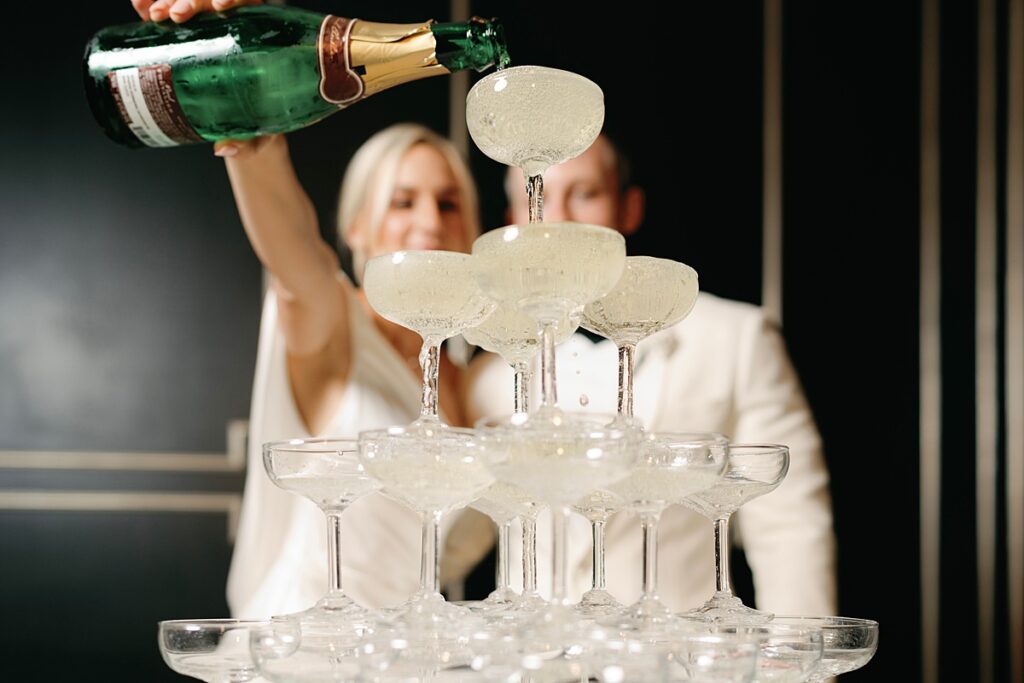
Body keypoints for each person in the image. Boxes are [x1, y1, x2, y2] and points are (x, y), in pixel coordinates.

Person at [129, 0, 490, 617]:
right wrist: (246, 112)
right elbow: (294, 258)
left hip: (396, 659)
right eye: (402, 201)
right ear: (358, 227)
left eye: (448, 203)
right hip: (294, 650)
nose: (430, 221)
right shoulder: (332, 320)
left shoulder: (465, 381)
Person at [465, 134, 838, 616]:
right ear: (513, 221)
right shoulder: (487, 374)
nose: (560, 220)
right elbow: (462, 533)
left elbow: (792, 532)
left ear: (629, 208)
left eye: (586, 193)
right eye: (537, 198)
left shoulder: (736, 339)